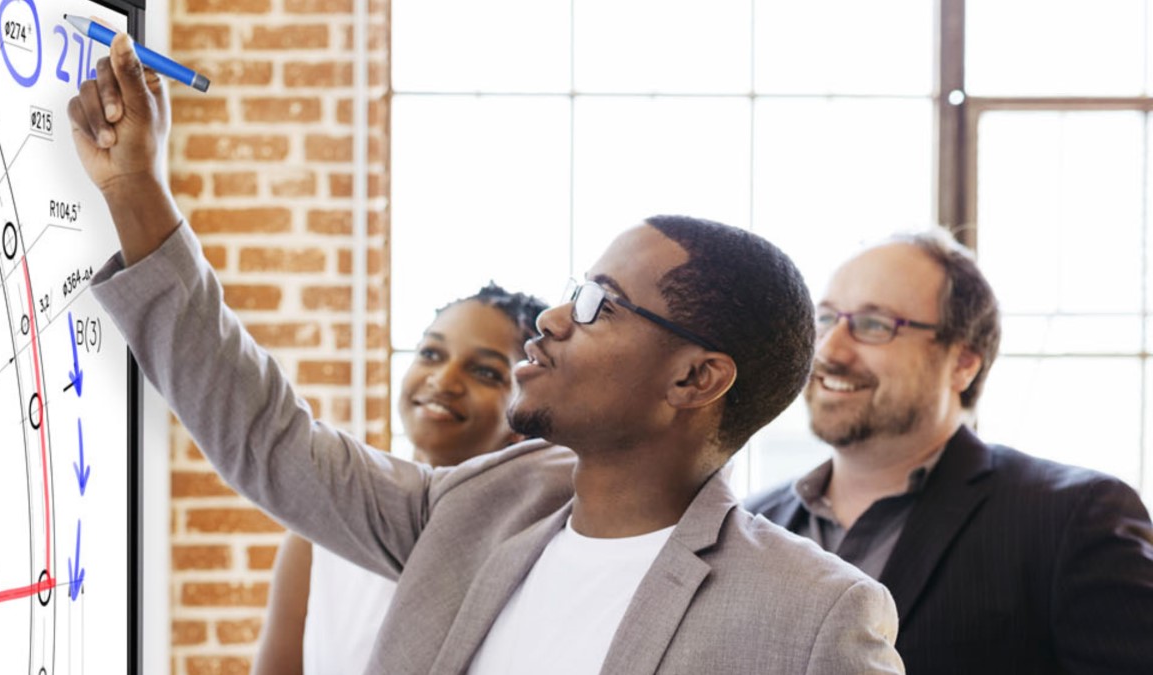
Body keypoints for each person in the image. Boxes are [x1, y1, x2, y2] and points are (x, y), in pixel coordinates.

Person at [70, 36, 905, 673]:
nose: (550, 318)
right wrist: (134, 188)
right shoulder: (477, 508)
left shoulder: (813, 616)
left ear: (695, 377)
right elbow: (269, 439)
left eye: (595, 304)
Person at [744, 228, 1153, 674]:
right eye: (824, 319)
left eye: (874, 325)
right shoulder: (750, 524)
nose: (829, 350)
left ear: (962, 364)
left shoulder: (1075, 516)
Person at [254, 283, 547, 675]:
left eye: (485, 371)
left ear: (524, 412)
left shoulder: (530, 549)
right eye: (431, 353)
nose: (443, 381)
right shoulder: (322, 531)